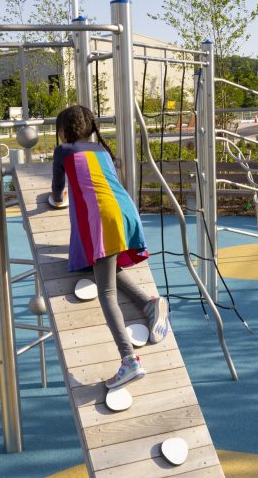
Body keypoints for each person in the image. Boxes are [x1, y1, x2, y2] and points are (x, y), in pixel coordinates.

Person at [50, 104, 169, 390]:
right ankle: (148, 302)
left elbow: (56, 190)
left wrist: (57, 197)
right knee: (103, 268)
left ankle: (129, 360)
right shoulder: (101, 152)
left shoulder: (63, 151)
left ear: (63, 132)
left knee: (105, 292)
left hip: (102, 217)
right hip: (125, 211)